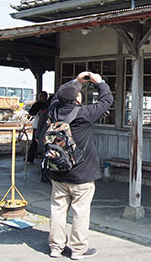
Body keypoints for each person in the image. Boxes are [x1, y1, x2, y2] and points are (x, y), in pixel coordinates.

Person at [46, 71, 113, 259]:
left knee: (57, 210)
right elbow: (107, 100)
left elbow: (57, 95)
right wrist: (99, 81)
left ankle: (56, 247)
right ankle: (78, 249)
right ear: (77, 99)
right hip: (82, 174)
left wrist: (75, 80)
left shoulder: (54, 110)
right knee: (80, 213)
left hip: (58, 171)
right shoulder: (84, 113)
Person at [26, 91, 49, 163]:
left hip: (44, 125)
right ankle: (31, 157)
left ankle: (37, 155)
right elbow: (31, 112)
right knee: (35, 142)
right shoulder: (37, 105)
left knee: (40, 142)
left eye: (41, 96)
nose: (39, 98)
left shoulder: (48, 104)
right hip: (38, 125)